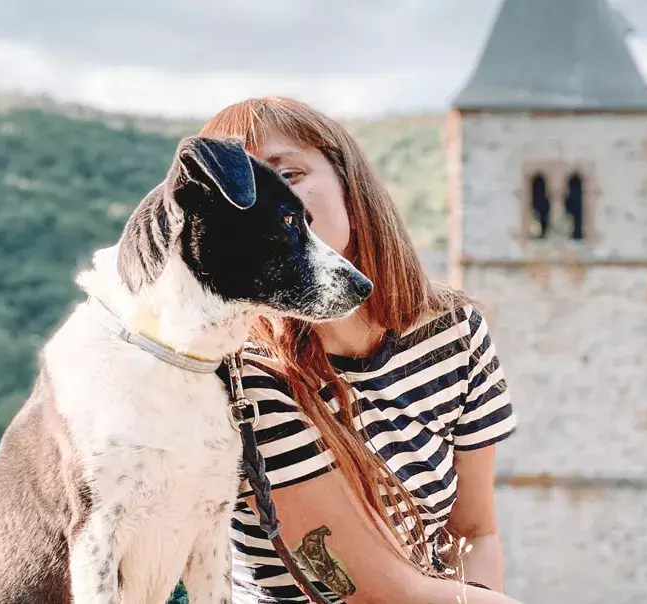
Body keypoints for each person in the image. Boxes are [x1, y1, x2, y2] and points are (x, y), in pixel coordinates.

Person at [199, 97, 521, 604]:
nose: (270, 204)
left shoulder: (455, 333)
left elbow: (474, 531)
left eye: (289, 172)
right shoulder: (244, 375)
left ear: (348, 181)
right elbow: (369, 591)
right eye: (244, 194)